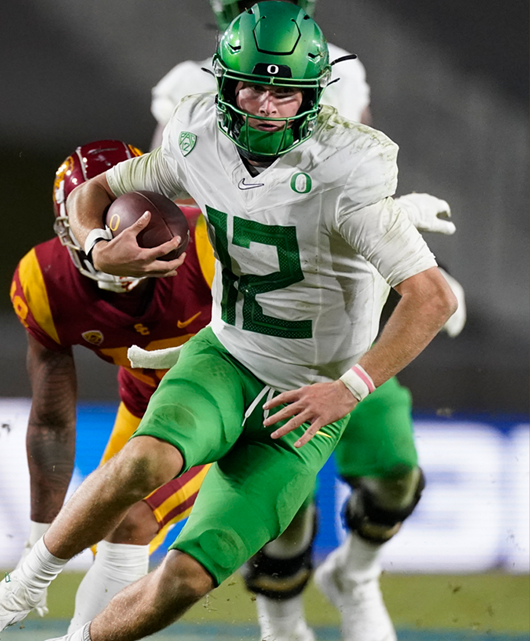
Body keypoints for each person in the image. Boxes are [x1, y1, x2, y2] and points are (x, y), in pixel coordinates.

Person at [0, 4, 457, 640]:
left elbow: (430, 299)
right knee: (139, 465)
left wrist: (349, 388)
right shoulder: (197, 131)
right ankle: (19, 589)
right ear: (223, 82)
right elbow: (92, 191)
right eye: (252, 86)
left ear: (313, 95)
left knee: (184, 578)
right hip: (227, 355)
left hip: (309, 394)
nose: (265, 105)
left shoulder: (350, 167)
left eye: (285, 91)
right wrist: (99, 246)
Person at [148, 3, 464, 640]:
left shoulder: (340, 76)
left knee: (397, 475)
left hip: (344, 336)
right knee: (279, 502)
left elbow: (355, 191)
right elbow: (170, 208)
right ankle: (282, 620)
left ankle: (356, 575)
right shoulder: (190, 90)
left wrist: (397, 243)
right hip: (252, 327)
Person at [11, 140, 217, 630]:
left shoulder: (207, 244)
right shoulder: (44, 281)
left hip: (238, 406)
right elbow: (51, 419)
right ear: (71, 227)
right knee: (105, 526)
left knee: (131, 520)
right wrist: (42, 534)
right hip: (149, 406)